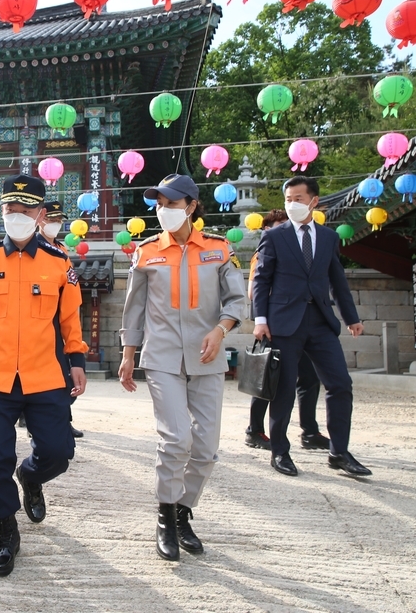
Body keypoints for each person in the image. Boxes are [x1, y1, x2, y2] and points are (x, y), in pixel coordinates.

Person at [0, 174, 87, 577]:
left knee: (58, 453)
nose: (17, 216)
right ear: (1, 211)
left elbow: (70, 318)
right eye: (10, 209)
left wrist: (77, 360)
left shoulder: (59, 263)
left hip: (45, 375)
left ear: (40, 214)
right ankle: (6, 529)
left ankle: (31, 475)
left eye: (25, 209)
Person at [118, 174, 246, 562]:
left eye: (171, 204)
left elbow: (236, 301)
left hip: (207, 357)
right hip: (162, 358)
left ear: (190, 206)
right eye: (159, 204)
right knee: (176, 439)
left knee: (206, 448)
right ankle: (165, 518)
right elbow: (134, 309)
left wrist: (220, 331)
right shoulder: (145, 252)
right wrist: (127, 354)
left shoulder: (219, 249)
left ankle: (183, 511)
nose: (163, 211)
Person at [252, 175, 372, 478]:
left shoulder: (329, 238)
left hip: (320, 321)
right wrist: (260, 320)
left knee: (340, 384)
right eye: (288, 199)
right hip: (283, 323)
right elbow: (261, 279)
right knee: (283, 390)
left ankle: (339, 452)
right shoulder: (275, 237)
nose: (292, 204)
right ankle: (280, 451)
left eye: (299, 199)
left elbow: (338, 281)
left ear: (314, 201)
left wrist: (352, 317)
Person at [244, 209, 329, 452]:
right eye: (280, 225)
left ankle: (310, 431)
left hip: (301, 325)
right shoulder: (262, 254)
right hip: (274, 326)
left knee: (310, 378)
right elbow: (253, 291)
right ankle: (254, 430)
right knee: (267, 378)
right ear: (267, 230)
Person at [39, 200, 84, 439]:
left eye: (59, 221)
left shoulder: (61, 250)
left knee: (65, 374)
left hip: (61, 319)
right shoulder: (31, 247)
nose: (55, 225)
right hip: (41, 319)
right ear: (40, 219)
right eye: (51, 220)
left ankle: (63, 419)